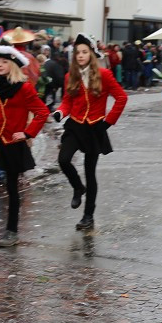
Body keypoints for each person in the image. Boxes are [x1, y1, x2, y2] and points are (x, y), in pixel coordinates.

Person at [52, 34, 128, 231]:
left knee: (90, 173)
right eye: (77, 52)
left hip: (95, 128)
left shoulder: (104, 74)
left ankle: (88, 216)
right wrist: (61, 112)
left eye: (84, 52)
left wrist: (108, 122)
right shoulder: (71, 76)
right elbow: (68, 101)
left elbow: (121, 98)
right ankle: (78, 187)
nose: (80, 55)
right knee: (63, 160)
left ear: (91, 54)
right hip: (75, 125)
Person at [0, 45, 49, 247]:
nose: (0, 65)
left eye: (4, 62)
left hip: (13, 143)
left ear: (12, 65)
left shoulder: (24, 87)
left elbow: (42, 112)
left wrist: (27, 133)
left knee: (12, 188)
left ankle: (12, 231)